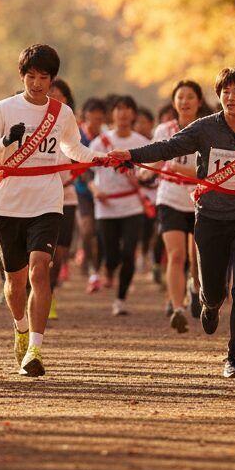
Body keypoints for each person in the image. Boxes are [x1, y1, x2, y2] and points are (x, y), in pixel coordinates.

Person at [118, 67, 235, 378]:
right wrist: (130, 155)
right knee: (214, 290)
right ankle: (208, 304)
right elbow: (167, 147)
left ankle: (234, 357)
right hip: (209, 217)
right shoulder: (205, 128)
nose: (230, 97)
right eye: (225, 91)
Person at [0, 44, 92, 377]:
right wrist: (5, 143)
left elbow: (74, 149)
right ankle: (21, 327)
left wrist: (102, 157)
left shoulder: (62, 114)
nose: (37, 83)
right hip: (9, 204)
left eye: (44, 77)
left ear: (52, 79)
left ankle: (36, 349)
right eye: (31, 76)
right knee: (14, 283)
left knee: (39, 270)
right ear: (22, 75)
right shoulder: (3, 109)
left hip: (47, 202)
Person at [145, 79, 202, 333]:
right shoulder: (163, 131)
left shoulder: (208, 131)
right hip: (169, 198)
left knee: (199, 258)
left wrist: (179, 168)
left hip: (200, 199)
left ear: (199, 102)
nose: (185, 101)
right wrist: (140, 171)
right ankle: (178, 308)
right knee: (176, 255)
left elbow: (207, 171)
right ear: (173, 102)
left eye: (190, 97)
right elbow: (156, 161)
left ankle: (195, 287)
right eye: (180, 97)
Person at [88, 96, 149, 316]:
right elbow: (86, 169)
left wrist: (142, 177)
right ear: (112, 114)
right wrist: (94, 190)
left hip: (132, 204)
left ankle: (121, 299)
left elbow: (150, 170)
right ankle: (108, 269)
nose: (123, 114)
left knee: (129, 251)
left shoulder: (141, 141)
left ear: (134, 114)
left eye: (127, 110)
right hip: (106, 206)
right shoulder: (100, 142)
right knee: (111, 253)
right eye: (119, 109)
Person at [47, 77, 76, 320]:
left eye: (60, 94)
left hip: (67, 197)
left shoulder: (70, 122)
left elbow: (82, 152)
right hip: (41, 197)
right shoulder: (32, 119)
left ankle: (50, 293)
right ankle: (36, 293)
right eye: (51, 93)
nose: (55, 97)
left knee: (59, 254)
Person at [77, 97, 107, 293]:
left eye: (99, 119)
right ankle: (90, 269)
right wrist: (90, 185)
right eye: (91, 119)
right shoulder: (77, 137)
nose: (95, 123)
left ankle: (98, 269)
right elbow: (79, 166)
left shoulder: (107, 139)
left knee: (102, 234)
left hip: (104, 192)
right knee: (87, 230)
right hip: (82, 191)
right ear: (84, 117)